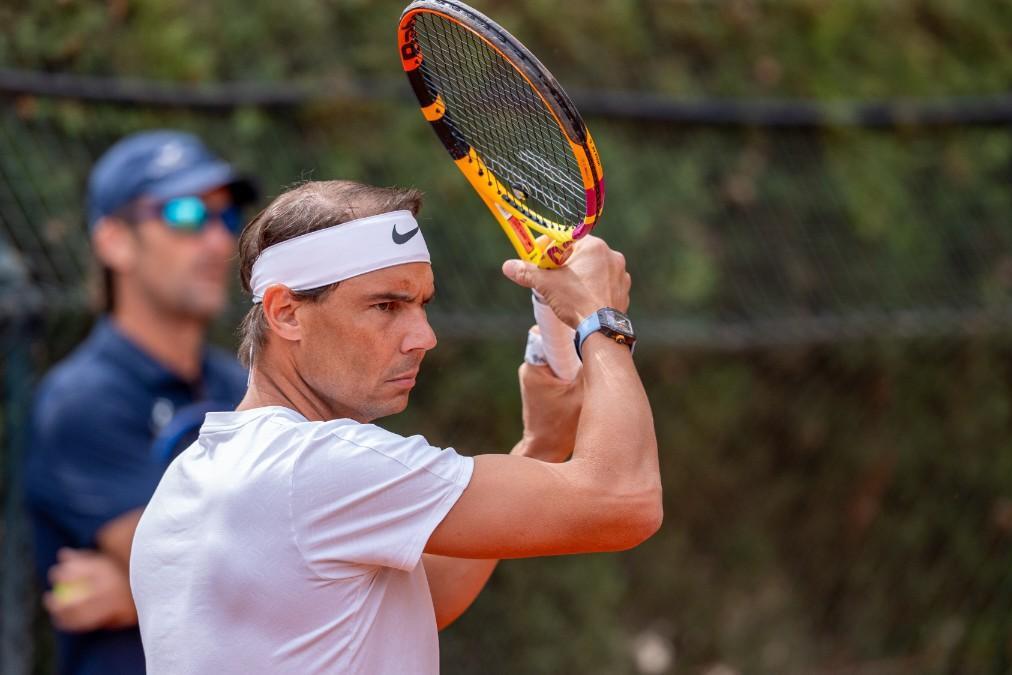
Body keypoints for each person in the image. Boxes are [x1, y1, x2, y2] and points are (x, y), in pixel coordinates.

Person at [129, 180, 661, 673]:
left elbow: (421, 603)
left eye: (421, 305)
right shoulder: (314, 465)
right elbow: (622, 502)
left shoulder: (191, 480)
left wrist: (542, 444)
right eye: (386, 305)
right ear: (286, 313)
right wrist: (599, 321)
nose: (423, 337)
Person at [23, 130, 257, 674]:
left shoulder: (243, 386)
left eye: (227, 216)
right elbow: (193, 570)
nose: (220, 242)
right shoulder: (81, 401)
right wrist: (154, 590)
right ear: (114, 242)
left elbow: (267, 571)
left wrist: (132, 599)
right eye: (182, 213)